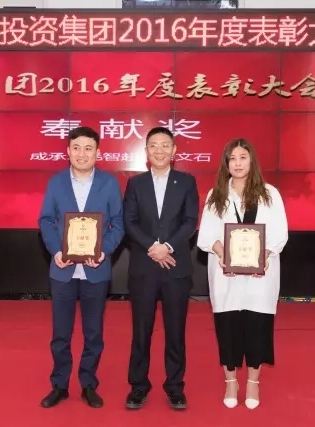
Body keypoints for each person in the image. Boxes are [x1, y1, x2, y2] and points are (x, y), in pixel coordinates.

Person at [197, 138, 288, 410]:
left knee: (257, 327)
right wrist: (222, 253)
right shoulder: (216, 195)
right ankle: (230, 381)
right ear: (226, 163)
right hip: (225, 276)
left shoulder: (269, 194)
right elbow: (206, 236)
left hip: (261, 277)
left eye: (242, 157)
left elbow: (279, 233)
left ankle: (253, 382)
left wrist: (264, 256)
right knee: (228, 328)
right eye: (232, 158)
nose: (237, 163)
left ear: (252, 161)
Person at [38, 126, 125, 409]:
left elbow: (118, 223)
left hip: (95, 269)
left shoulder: (109, 183)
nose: (82, 154)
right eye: (76, 148)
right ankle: (59, 385)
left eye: (88, 148)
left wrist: (103, 250)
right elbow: (46, 220)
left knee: (93, 333)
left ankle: (88, 384)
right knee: (60, 334)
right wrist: (57, 251)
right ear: (68, 151)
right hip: (63, 269)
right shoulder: (56, 182)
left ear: (98, 153)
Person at [123, 126, 199, 410]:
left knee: (175, 331)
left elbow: (190, 221)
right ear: (146, 151)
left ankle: (175, 387)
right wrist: (152, 247)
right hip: (143, 267)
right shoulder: (136, 183)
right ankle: (138, 386)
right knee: (141, 331)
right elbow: (129, 221)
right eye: (153, 145)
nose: (159, 150)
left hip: (176, 267)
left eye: (165, 145)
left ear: (174, 150)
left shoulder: (186, 182)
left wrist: (166, 247)